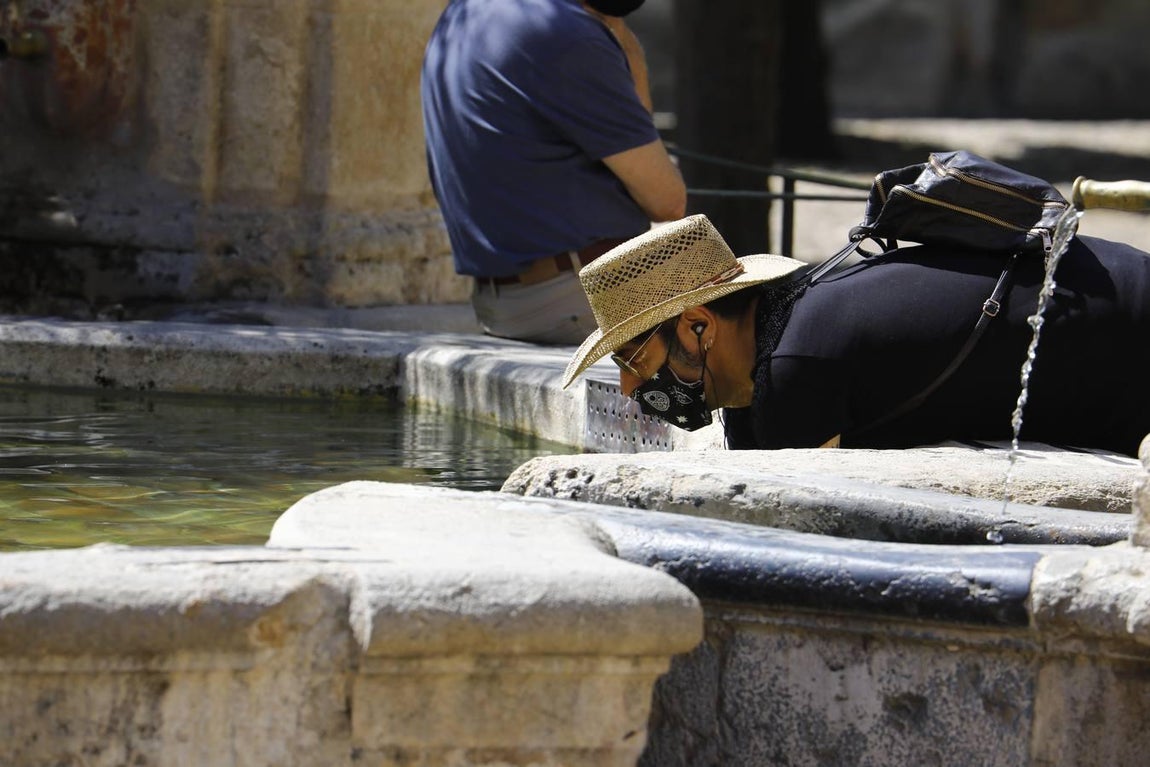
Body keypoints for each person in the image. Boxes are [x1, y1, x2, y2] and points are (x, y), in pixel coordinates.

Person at [562, 214, 1150, 457]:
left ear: (697, 325)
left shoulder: (798, 365)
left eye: (634, 356)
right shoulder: (798, 317)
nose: (632, 387)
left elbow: (805, 523)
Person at [421, 0, 686, 344]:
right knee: (756, 331)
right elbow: (667, 201)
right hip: (580, 296)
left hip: (505, 302)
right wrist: (620, 37)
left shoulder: (464, 13)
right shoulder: (565, 33)